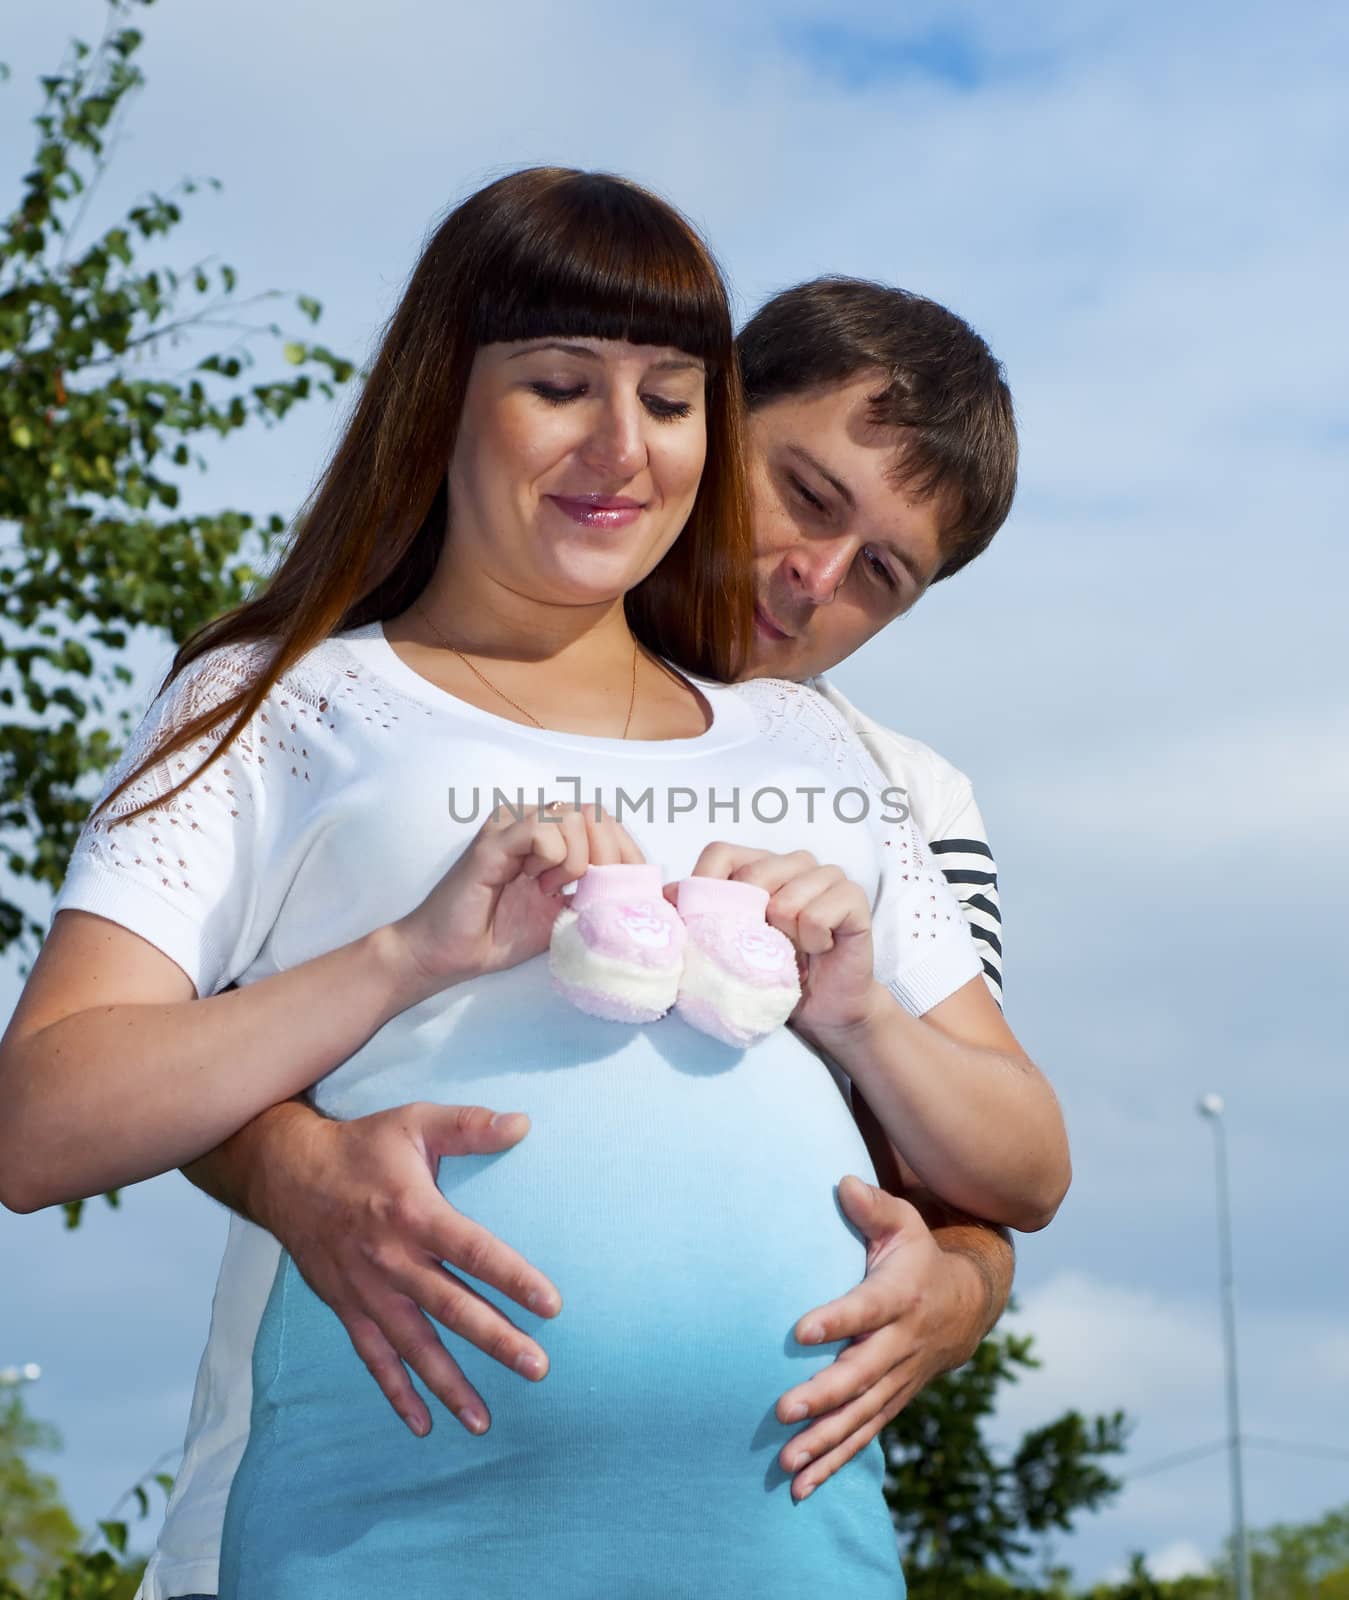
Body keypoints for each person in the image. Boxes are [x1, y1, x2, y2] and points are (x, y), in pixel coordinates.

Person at [0, 169, 1068, 1597]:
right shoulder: (289, 701)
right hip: (366, 1514)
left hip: (775, 1534)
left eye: (883, 571)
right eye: (803, 492)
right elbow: (66, 1102)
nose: (814, 576)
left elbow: (999, 1172)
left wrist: (962, 1281)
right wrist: (322, 1097)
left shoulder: (866, 774)